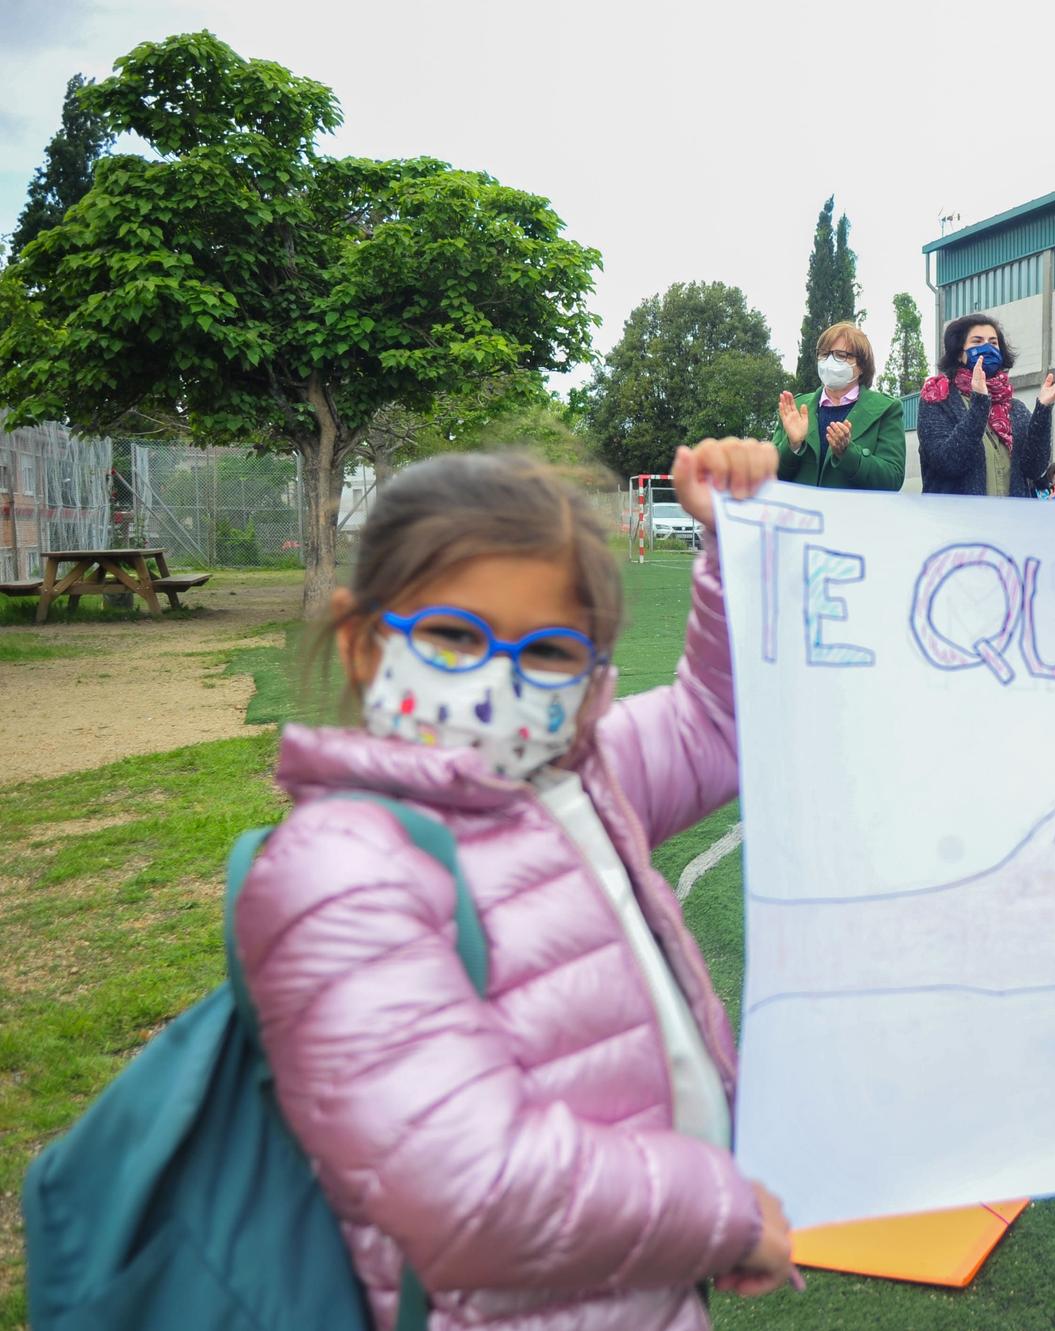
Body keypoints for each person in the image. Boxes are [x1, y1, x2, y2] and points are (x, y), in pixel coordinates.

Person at [235, 444, 798, 1330]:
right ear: (361, 643)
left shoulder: (580, 774)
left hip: (639, 1294)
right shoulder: (340, 868)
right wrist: (717, 1214)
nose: (499, 680)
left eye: (546, 651)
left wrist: (729, 542)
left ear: (588, 680)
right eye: (455, 635)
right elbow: (465, 1187)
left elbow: (718, 722)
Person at [918, 312, 1055, 497]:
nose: (987, 348)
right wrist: (980, 401)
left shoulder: (1015, 409)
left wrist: (1043, 410)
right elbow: (948, 463)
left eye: (993, 342)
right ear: (959, 353)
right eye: (977, 341)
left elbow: (1034, 469)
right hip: (957, 522)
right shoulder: (938, 400)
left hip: (1010, 522)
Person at [774, 322, 906, 491]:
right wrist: (792, 445)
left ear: (861, 365)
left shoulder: (887, 409)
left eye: (841, 355)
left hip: (851, 516)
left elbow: (892, 479)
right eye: (824, 354)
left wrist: (848, 453)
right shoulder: (796, 407)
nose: (829, 361)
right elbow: (771, 473)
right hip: (802, 516)